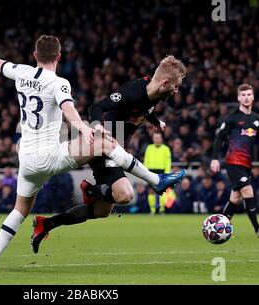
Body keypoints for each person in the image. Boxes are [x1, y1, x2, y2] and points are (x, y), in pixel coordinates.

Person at [0, 20, 186, 270]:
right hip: (50, 156)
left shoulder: (20, 71)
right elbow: (69, 110)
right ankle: (156, 181)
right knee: (103, 143)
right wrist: (85, 128)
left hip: (26, 160)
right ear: (59, 56)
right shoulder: (59, 83)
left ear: (35, 55)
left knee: (19, 210)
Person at [31, 55, 187, 253]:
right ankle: (92, 191)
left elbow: (147, 109)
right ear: (165, 82)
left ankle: (46, 224)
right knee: (125, 195)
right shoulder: (132, 92)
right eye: (176, 85)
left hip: (116, 147)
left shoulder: (154, 93)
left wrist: (155, 122)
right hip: (102, 145)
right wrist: (97, 127)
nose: (177, 90)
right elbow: (96, 107)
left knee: (100, 211)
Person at [210, 83, 259, 238]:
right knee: (248, 190)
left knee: (235, 197)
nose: (246, 98)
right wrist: (214, 159)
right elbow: (219, 138)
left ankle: (220, 227)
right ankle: (257, 229)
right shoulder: (232, 118)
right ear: (238, 97)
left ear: (253, 97)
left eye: (249, 95)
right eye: (243, 95)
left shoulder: (257, 119)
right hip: (233, 162)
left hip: (246, 164)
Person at [144, 132, 172, 214]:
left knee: (162, 191)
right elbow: (146, 160)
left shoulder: (166, 149)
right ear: (153, 139)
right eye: (155, 138)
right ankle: (153, 209)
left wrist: (167, 172)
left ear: (161, 139)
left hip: (162, 171)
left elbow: (168, 161)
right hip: (151, 171)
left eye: (158, 137)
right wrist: (145, 172)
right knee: (151, 191)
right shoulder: (149, 148)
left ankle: (162, 209)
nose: (156, 139)